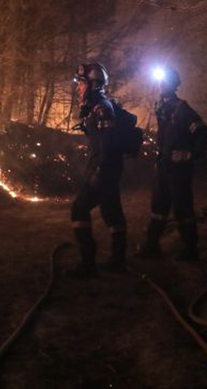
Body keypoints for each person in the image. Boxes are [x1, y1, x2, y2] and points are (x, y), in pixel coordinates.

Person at [137, 65, 207, 261]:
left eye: (164, 83)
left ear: (172, 85)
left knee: (183, 209)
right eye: (160, 83)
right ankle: (152, 246)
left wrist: (189, 154)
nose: (161, 86)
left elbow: (204, 135)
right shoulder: (162, 109)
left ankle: (191, 251)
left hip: (179, 170)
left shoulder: (183, 110)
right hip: (164, 167)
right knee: (158, 207)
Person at [69, 62, 127, 277]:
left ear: (94, 84)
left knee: (79, 209)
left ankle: (88, 264)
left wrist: (98, 173)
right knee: (111, 212)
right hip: (108, 169)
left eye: (82, 83)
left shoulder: (101, 108)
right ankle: (118, 260)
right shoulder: (95, 107)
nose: (79, 88)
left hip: (103, 169)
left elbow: (108, 145)